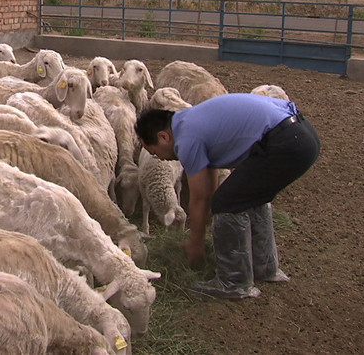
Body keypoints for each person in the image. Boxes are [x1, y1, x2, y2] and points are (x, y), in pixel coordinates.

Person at [135, 93, 320, 299]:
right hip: (301, 134)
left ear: (163, 137)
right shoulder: (192, 121)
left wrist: (196, 242)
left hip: (284, 143)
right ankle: (265, 267)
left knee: (227, 202)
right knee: (246, 198)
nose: (158, 158)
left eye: (153, 151)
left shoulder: (186, 138)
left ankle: (234, 282)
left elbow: (200, 197)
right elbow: (209, 182)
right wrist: (204, 228)